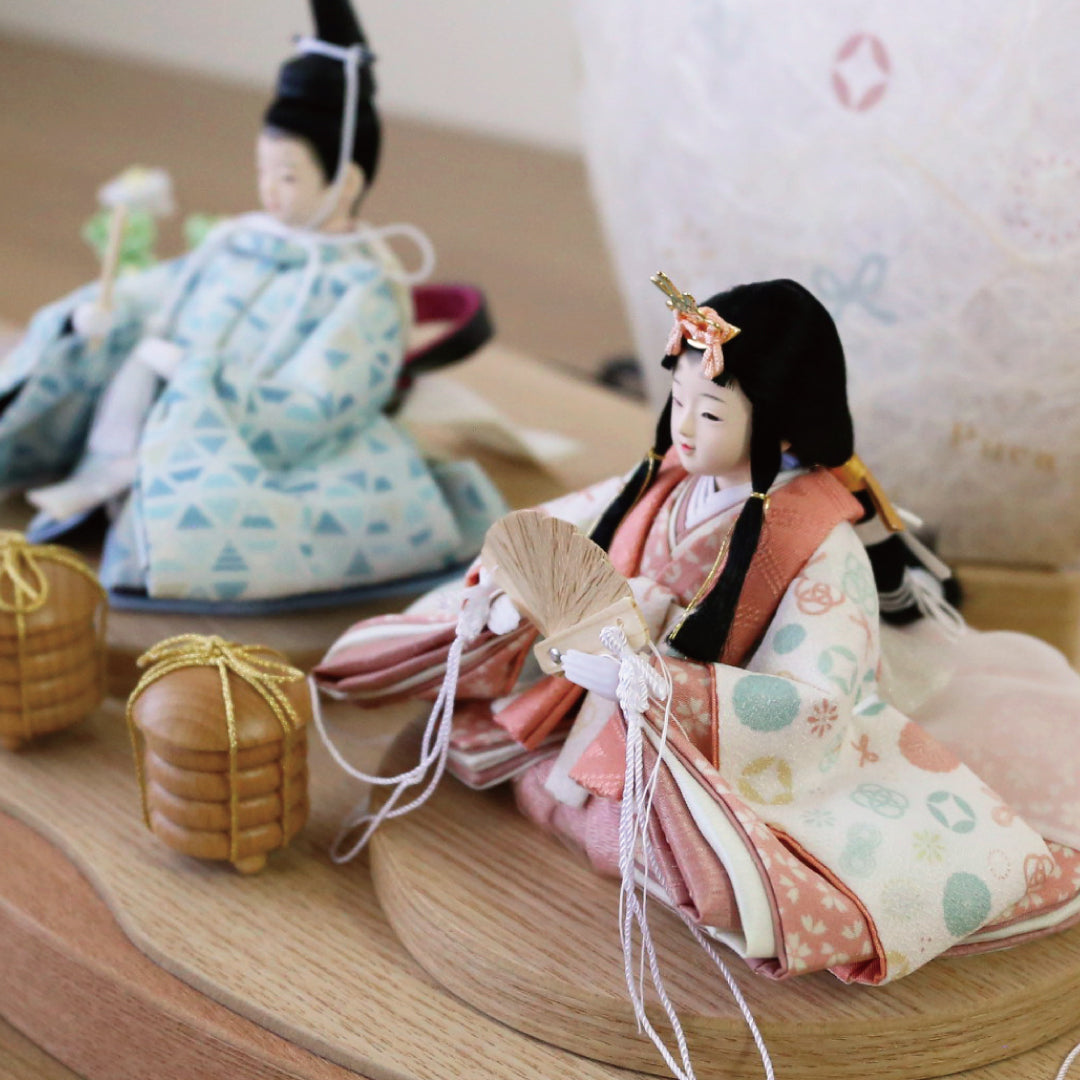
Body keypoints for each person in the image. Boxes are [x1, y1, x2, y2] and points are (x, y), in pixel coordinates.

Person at [315, 276, 1080, 993]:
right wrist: (509, 593)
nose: (682, 426)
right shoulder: (660, 484)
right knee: (482, 734)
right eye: (678, 400)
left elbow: (817, 699)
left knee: (704, 866)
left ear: (780, 424)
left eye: (709, 414)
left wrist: (662, 687)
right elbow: (555, 533)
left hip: (702, 737)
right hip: (594, 703)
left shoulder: (819, 543)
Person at [0, 0, 505, 605]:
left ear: (345, 182)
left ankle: (143, 512)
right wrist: (109, 309)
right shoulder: (239, 240)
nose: (269, 190)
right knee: (98, 358)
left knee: (236, 508)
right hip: (161, 401)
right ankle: (106, 479)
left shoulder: (361, 287)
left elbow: (322, 398)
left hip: (254, 436)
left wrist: (203, 382)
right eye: (263, 170)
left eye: (288, 176)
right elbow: (167, 287)